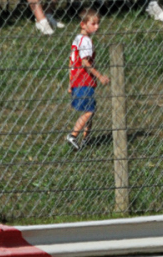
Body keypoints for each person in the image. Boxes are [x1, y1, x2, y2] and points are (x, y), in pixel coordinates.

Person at [66, 8, 109, 151]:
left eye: (98, 23)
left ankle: (86, 139)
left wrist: (70, 82)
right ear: (83, 24)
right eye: (93, 24)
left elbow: (72, 63)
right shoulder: (86, 41)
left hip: (78, 80)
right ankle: (73, 135)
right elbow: (85, 63)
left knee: (91, 110)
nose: (97, 27)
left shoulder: (77, 39)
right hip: (83, 80)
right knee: (89, 111)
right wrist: (100, 76)